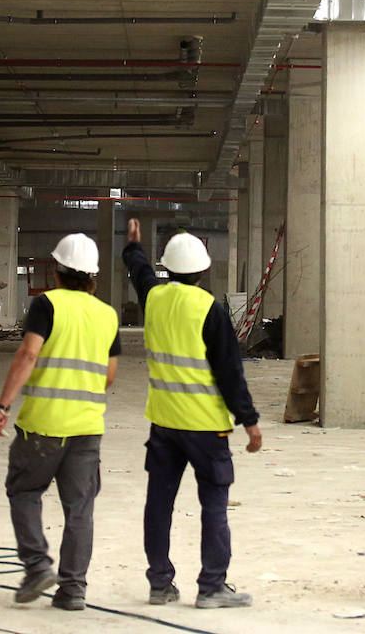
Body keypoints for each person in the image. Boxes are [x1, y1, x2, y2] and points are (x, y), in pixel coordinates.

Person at [122, 219, 262, 609]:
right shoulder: (211, 310)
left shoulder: (153, 296)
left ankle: (159, 584)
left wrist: (133, 244)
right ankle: (212, 587)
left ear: (168, 268)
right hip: (206, 428)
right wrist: (249, 420)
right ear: (204, 271)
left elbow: (139, 270)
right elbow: (230, 372)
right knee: (213, 506)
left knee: (159, 504)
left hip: (165, 424)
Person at [0, 233, 121, 612]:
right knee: (80, 509)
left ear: (57, 269)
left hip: (43, 426)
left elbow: (29, 353)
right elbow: (110, 376)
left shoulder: (46, 304)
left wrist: (3, 404)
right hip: (87, 427)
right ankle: (73, 590)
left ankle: (36, 566)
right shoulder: (108, 314)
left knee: (25, 492)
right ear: (93, 276)